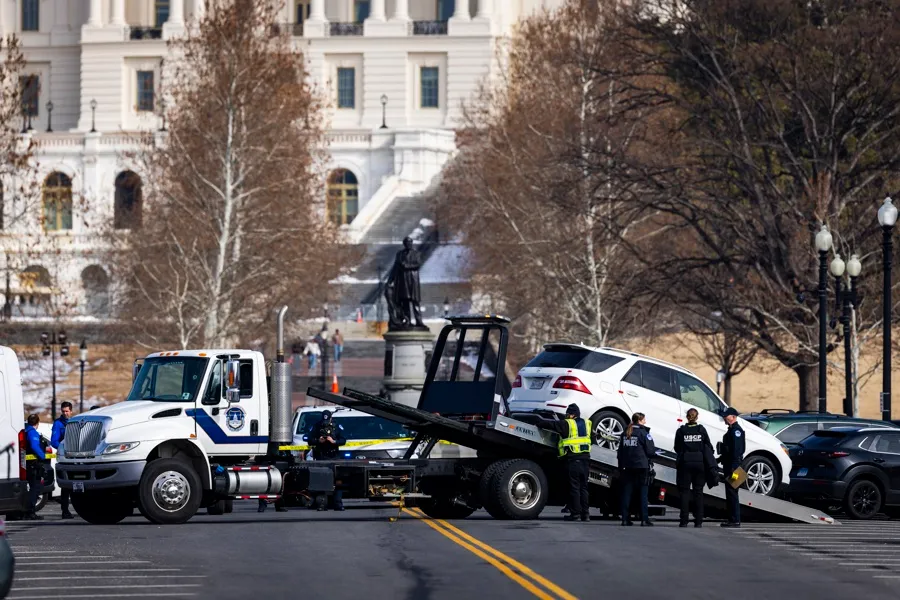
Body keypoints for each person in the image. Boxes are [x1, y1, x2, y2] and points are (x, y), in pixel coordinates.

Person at [545, 404, 595, 522]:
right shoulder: (587, 424)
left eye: (568, 414)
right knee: (584, 488)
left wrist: (537, 422)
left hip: (574, 460)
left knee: (575, 488)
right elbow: (592, 438)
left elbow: (551, 425)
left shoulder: (567, 423)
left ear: (572, 414)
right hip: (586, 460)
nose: (567, 416)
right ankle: (585, 515)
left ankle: (575, 514)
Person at [674, 408, 713, 528]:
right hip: (700, 463)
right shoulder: (701, 430)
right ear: (697, 417)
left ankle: (684, 520)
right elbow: (708, 447)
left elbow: (677, 447)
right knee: (698, 492)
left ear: (687, 417)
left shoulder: (681, 431)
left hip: (685, 463)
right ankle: (698, 521)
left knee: (685, 492)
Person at [617, 412, 656, 526]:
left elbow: (620, 452)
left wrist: (620, 467)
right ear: (639, 421)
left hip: (627, 466)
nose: (645, 422)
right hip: (641, 466)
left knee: (627, 493)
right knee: (643, 493)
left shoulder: (625, 433)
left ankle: (625, 519)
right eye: (644, 420)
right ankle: (644, 519)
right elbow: (650, 451)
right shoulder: (643, 433)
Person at [307, 410, 346, 511]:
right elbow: (309, 440)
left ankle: (338, 503)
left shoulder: (336, 426)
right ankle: (322, 504)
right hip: (321, 457)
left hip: (334, 456)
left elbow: (343, 440)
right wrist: (318, 441)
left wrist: (334, 441)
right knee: (321, 480)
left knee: (337, 480)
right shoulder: (316, 426)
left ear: (331, 418)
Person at [719, 407, 745, 528]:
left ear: (733, 417)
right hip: (730, 465)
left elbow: (736, 451)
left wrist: (733, 468)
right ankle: (732, 519)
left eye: (726, 416)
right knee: (730, 493)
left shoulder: (736, 431)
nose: (724, 418)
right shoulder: (731, 431)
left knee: (732, 492)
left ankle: (735, 520)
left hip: (734, 467)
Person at [23, 414, 51, 521]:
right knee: (35, 488)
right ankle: (30, 512)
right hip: (33, 465)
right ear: (37, 423)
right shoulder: (32, 432)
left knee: (29, 488)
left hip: (26, 464)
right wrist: (42, 456)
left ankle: (26, 511)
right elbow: (35, 446)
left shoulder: (24, 430)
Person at [50, 402, 74, 519]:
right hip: (65, 457)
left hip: (77, 457)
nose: (65, 413)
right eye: (63, 411)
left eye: (67, 411)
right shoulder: (58, 424)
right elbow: (54, 441)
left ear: (71, 411)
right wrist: (64, 448)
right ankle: (65, 511)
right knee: (66, 486)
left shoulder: (75, 421)